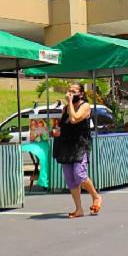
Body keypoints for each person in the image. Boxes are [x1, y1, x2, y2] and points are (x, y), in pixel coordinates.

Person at [52, 83, 103, 218]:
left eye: (74, 91)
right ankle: (78, 209)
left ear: (81, 94)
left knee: (79, 174)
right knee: (70, 179)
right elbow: (65, 124)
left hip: (80, 145)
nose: (70, 93)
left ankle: (96, 197)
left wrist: (69, 102)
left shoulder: (85, 106)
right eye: (69, 91)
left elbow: (74, 119)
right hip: (66, 145)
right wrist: (57, 131)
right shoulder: (65, 109)